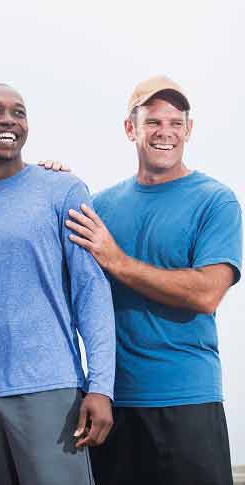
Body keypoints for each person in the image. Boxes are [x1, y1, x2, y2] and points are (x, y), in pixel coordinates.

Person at [0, 84, 115, 485]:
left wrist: (102, 387)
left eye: (19, 112)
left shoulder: (62, 190)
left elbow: (91, 290)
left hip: (51, 392)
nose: (9, 120)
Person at [66, 76, 242, 485]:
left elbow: (207, 292)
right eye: (153, 122)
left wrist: (119, 262)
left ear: (189, 130)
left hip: (188, 401)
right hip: (114, 406)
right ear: (131, 129)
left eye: (175, 123)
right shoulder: (101, 206)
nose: (166, 133)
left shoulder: (215, 200)